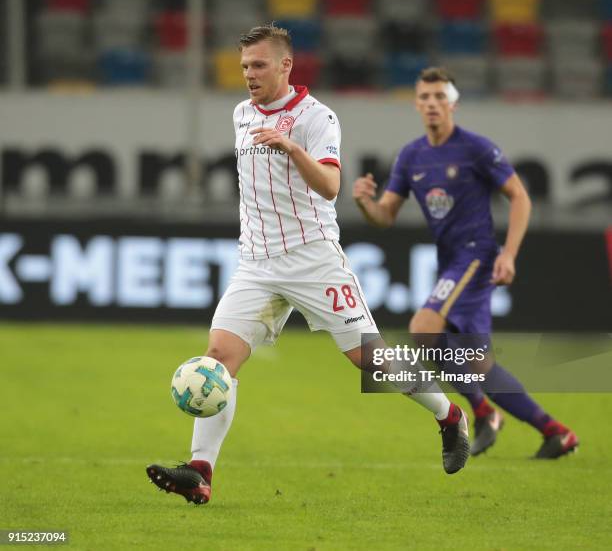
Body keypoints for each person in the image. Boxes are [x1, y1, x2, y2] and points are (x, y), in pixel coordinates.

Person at [146, 28, 469, 506]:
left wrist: (291, 148)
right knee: (219, 361)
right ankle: (199, 471)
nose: (249, 75)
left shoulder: (317, 118)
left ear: (285, 66)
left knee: (372, 363)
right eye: (244, 67)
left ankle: (449, 417)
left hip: (313, 259)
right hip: (255, 264)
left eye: (258, 65)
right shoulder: (241, 113)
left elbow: (332, 187)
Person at [352, 67, 579, 460]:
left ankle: (483, 411)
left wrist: (508, 253)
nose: (432, 104)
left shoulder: (476, 148)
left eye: (440, 97)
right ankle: (553, 430)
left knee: (422, 330)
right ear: (417, 104)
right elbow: (386, 215)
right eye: (425, 97)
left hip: (476, 255)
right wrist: (364, 204)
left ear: (453, 103)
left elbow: (520, 197)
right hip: (451, 261)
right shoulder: (411, 155)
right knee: (476, 364)